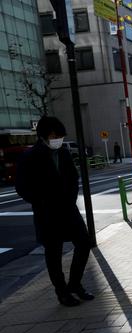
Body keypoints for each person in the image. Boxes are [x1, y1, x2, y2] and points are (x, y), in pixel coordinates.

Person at [15, 116, 96, 307]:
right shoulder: (30, 156)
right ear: (43, 135)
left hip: (68, 208)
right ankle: (62, 293)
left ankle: (75, 284)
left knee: (84, 243)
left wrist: (71, 197)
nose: (58, 139)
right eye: (54, 135)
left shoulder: (64, 153)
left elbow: (73, 177)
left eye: (60, 135)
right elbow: (22, 186)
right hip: (47, 213)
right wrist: (40, 201)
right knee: (54, 254)